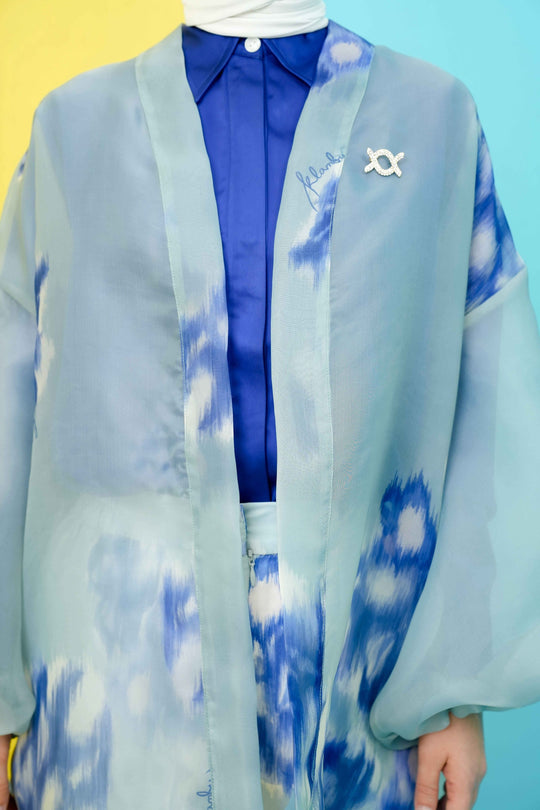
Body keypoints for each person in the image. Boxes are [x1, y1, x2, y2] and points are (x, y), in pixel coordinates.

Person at [0, 1, 538, 808]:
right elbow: (10, 409)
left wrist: (454, 696)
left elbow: (491, 407)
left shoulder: (432, 118)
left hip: (360, 656)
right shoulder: (74, 128)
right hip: (118, 671)